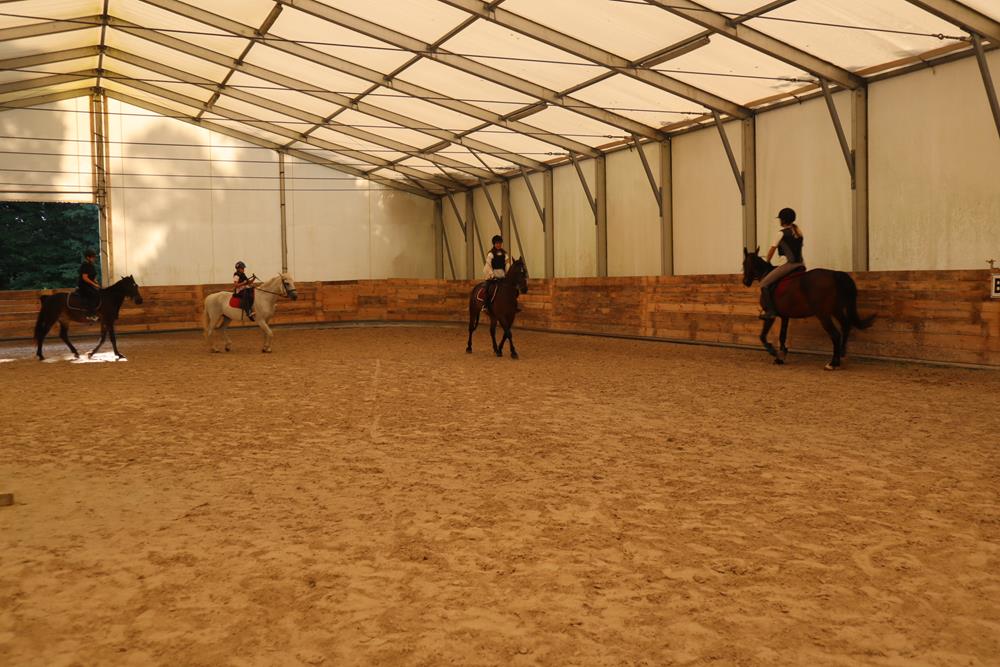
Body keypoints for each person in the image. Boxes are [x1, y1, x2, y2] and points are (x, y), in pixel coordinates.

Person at [758, 207, 805, 320]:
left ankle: (771, 311)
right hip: (801, 264)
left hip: (789, 265)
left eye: (780, 219)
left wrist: (767, 261)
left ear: (783, 220)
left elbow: (772, 250)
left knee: (764, 283)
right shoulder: (798, 232)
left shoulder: (781, 233)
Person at [482, 235, 510, 311]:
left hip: (502, 275)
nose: (498, 245)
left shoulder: (505, 254)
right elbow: (488, 265)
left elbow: (507, 265)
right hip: (492, 275)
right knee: (487, 289)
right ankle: (485, 305)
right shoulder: (490, 254)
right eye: (497, 243)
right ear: (494, 244)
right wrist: (492, 275)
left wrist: (507, 273)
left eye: (500, 243)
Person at [76, 248, 101, 321]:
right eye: (93, 257)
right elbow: (85, 277)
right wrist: (94, 285)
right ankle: (90, 315)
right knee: (93, 295)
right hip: (84, 285)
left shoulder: (91, 265)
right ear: (88, 257)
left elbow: (93, 277)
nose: (94, 259)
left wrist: (96, 283)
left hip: (89, 285)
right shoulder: (85, 265)